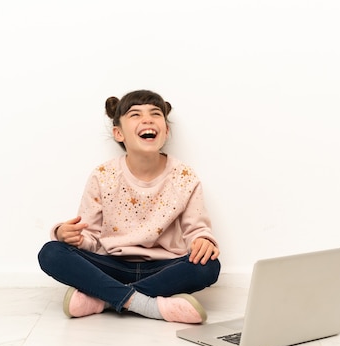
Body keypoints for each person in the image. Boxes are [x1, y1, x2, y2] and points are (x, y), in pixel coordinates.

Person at [38, 89, 220, 324]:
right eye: (135, 115)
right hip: (111, 265)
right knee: (52, 252)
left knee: (209, 266)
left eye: (155, 114)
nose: (147, 119)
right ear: (118, 133)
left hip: (164, 268)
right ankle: (148, 305)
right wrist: (69, 236)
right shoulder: (103, 176)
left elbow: (196, 230)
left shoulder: (184, 176)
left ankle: (102, 299)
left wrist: (202, 241)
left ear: (166, 130)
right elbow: (90, 238)